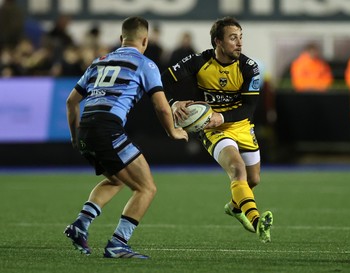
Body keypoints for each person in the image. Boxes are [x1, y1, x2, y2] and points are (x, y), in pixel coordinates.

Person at [64, 16, 188, 259]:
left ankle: (81, 224)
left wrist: (74, 136)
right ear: (145, 40)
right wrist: (173, 131)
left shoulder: (99, 61)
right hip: (107, 128)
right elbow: (162, 107)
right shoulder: (145, 64)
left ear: (121, 39)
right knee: (147, 188)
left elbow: (71, 102)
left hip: (87, 129)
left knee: (116, 180)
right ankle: (118, 244)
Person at [161, 16, 273, 243]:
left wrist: (222, 116)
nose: (240, 43)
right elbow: (162, 80)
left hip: (240, 124)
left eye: (241, 38)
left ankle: (234, 207)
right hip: (212, 129)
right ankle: (256, 220)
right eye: (233, 38)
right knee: (237, 170)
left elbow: (250, 109)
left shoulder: (249, 67)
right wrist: (173, 102)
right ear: (217, 42)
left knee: (253, 180)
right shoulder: (198, 61)